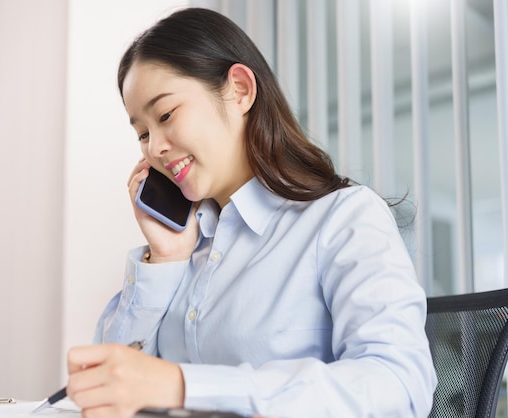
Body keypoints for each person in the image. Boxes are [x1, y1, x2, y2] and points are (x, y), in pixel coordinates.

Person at [66, 7, 437, 418]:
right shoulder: (188, 247)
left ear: (239, 90)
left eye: (166, 115)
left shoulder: (342, 219)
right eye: (142, 133)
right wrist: (165, 260)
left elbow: (400, 386)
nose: (154, 148)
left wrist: (182, 386)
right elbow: (110, 387)